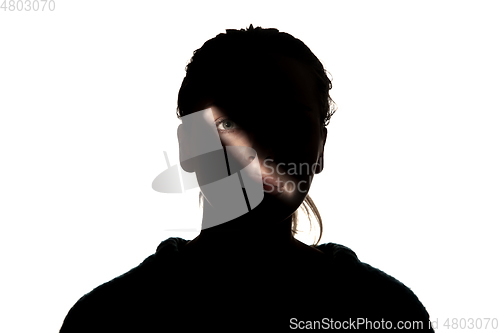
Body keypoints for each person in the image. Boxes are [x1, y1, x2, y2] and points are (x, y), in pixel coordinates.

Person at [60, 25, 433, 332]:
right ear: (188, 145)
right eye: (229, 123)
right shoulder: (107, 321)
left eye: (287, 122)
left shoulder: (386, 314)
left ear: (321, 149)